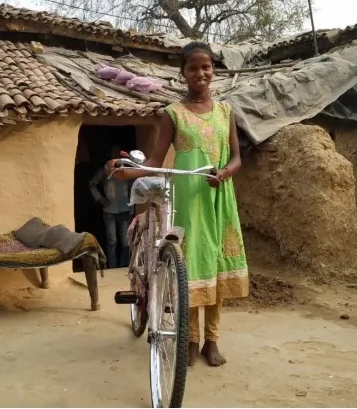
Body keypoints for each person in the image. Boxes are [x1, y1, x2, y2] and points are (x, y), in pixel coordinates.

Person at [106, 42, 248, 367]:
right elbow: (156, 159)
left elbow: (238, 158)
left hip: (219, 196)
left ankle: (212, 340)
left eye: (207, 67)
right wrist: (126, 171)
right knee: (191, 268)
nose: (201, 73)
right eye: (194, 67)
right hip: (187, 198)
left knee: (216, 264)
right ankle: (191, 340)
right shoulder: (173, 113)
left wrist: (225, 172)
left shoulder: (226, 112)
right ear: (182, 72)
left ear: (213, 70)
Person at [90, 145, 134, 269]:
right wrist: (100, 198)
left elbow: (132, 189)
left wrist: (132, 209)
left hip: (125, 210)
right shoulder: (104, 170)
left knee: (125, 242)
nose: (116, 156)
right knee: (112, 241)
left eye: (118, 154)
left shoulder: (126, 170)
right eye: (113, 153)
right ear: (110, 155)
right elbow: (92, 184)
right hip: (109, 211)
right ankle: (112, 267)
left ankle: (123, 265)